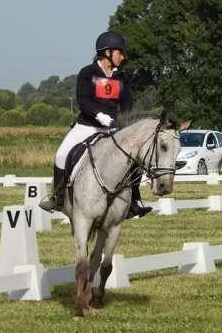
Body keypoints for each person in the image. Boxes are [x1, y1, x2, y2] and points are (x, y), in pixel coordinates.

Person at [39, 31, 152, 218]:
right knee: (61, 155)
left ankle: (134, 201)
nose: (123, 57)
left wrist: (127, 124)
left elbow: (127, 106)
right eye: (120, 53)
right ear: (107, 52)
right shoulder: (88, 73)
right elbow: (83, 101)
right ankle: (57, 198)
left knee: (134, 159)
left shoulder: (121, 78)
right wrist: (99, 115)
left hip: (112, 129)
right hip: (87, 125)